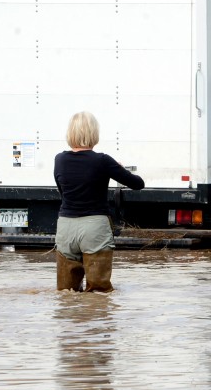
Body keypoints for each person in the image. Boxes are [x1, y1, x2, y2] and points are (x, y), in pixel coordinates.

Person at [54, 111, 144, 292]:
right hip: (94, 227)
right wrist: (117, 168)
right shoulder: (103, 161)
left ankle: (68, 320)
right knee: (99, 292)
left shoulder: (60, 159)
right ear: (94, 133)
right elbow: (137, 184)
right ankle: (97, 320)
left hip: (66, 228)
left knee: (66, 292)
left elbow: (62, 192)